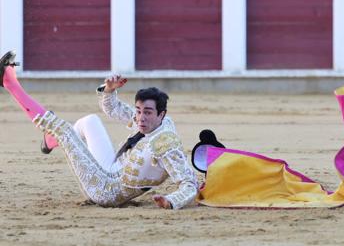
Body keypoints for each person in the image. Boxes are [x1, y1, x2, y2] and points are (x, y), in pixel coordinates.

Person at [0, 52, 198, 209]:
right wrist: (110, 90)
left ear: (161, 114)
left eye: (147, 112)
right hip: (112, 167)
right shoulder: (151, 120)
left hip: (106, 190)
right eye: (138, 111)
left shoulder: (166, 143)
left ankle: (10, 84)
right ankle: (50, 141)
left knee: (64, 130)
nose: (141, 118)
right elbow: (115, 109)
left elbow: (188, 183)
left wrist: (171, 201)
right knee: (90, 121)